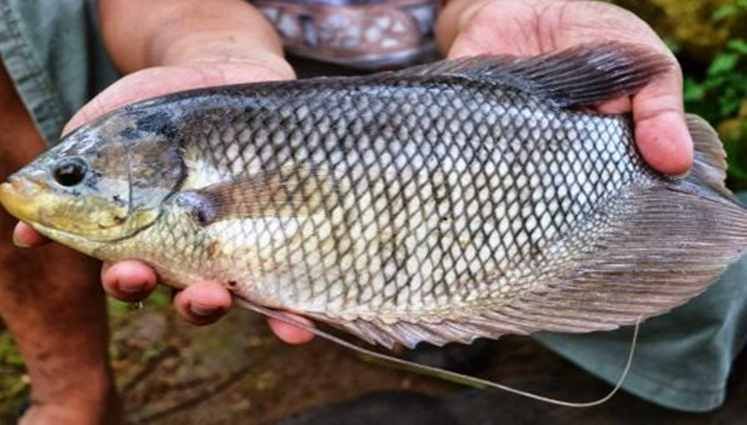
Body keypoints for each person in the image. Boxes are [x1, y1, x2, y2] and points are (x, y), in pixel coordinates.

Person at [1, 0, 743, 424]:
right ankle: (71, 395)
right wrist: (209, 45)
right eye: (73, 174)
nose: (56, 184)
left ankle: (678, 372)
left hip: (468, 65)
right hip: (234, 57)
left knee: (688, 235)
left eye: (72, 176)